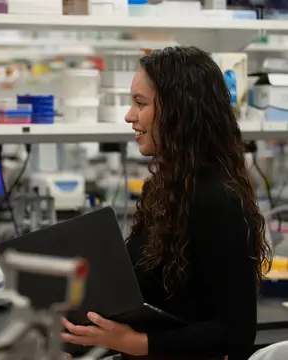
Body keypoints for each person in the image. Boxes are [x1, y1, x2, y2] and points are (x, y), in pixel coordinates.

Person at [61, 46, 272, 360]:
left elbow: (236, 332)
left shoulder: (217, 200)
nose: (129, 116)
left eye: (140, 103)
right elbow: (141, 285)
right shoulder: (166, 188)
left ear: (179, 110)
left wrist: (134, 343)